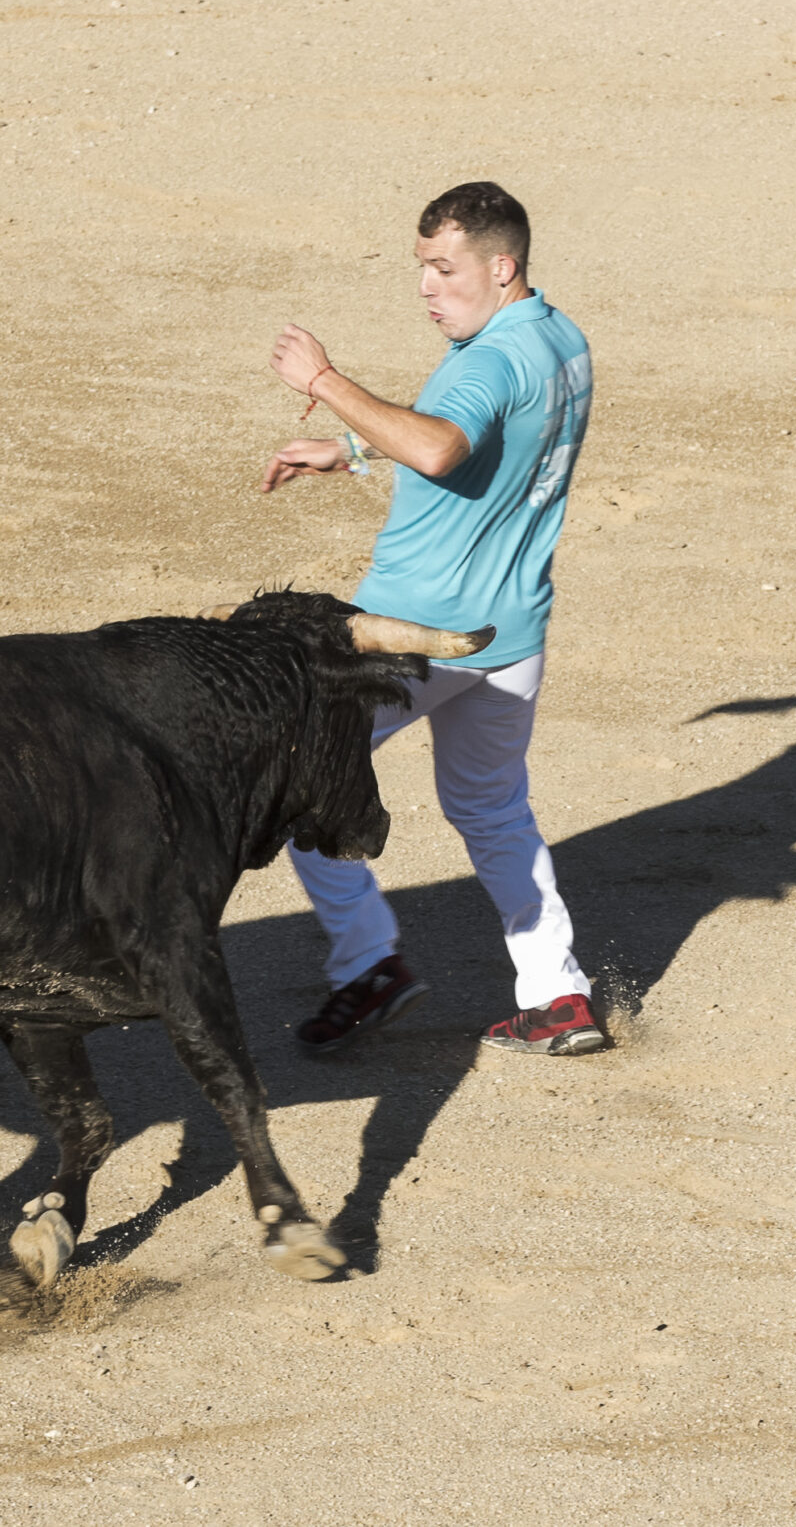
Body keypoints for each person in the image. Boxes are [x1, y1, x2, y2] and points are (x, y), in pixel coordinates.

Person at [258, 181, 603, 1057]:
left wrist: (325, 383)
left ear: (502, 265)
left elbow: (444, 444)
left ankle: (371, 962)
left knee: (307, 777)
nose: (426, 287)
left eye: (445, 269)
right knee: (493, 810)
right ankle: (558, 994)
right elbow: (482, 438)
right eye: (421, 268)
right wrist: (355, 451)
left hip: (415, 638)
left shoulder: (488, 359)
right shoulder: (560, 340)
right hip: (514, 632)